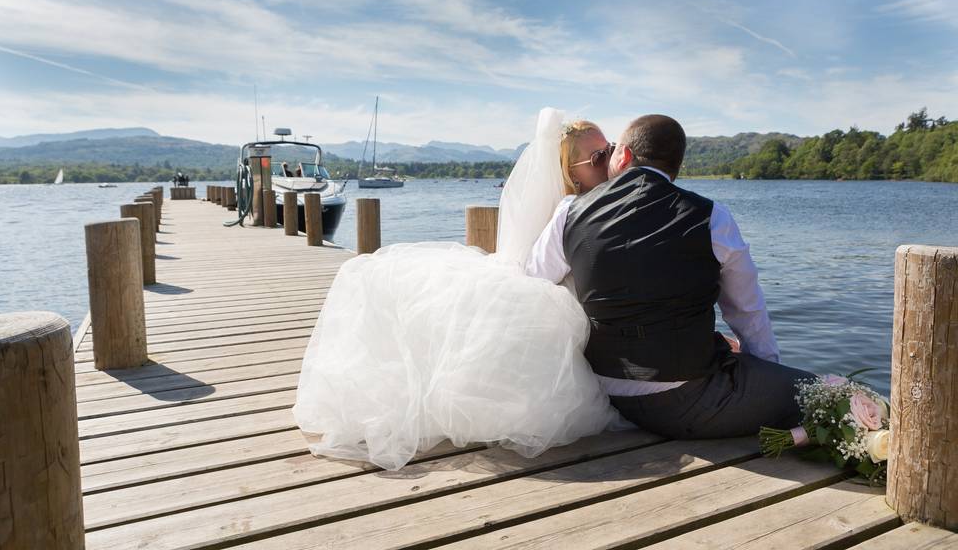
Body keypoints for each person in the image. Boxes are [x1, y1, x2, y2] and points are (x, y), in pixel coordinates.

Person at [293, 109, 619, 470]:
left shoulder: (589, 204)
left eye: (612, 149)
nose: (610, 161)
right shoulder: (569, 210)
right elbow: (538, 272)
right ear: (570, 173)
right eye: (598, 157)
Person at [527, 114, 813, 439]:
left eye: (611, 151)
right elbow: (747, 311)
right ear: (675, 168)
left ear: (624, 155)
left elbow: (532, 284)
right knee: (828, 394)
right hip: (684, 399)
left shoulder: (569, 213)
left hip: (599, 387)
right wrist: (766, 370)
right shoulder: (711, 217)